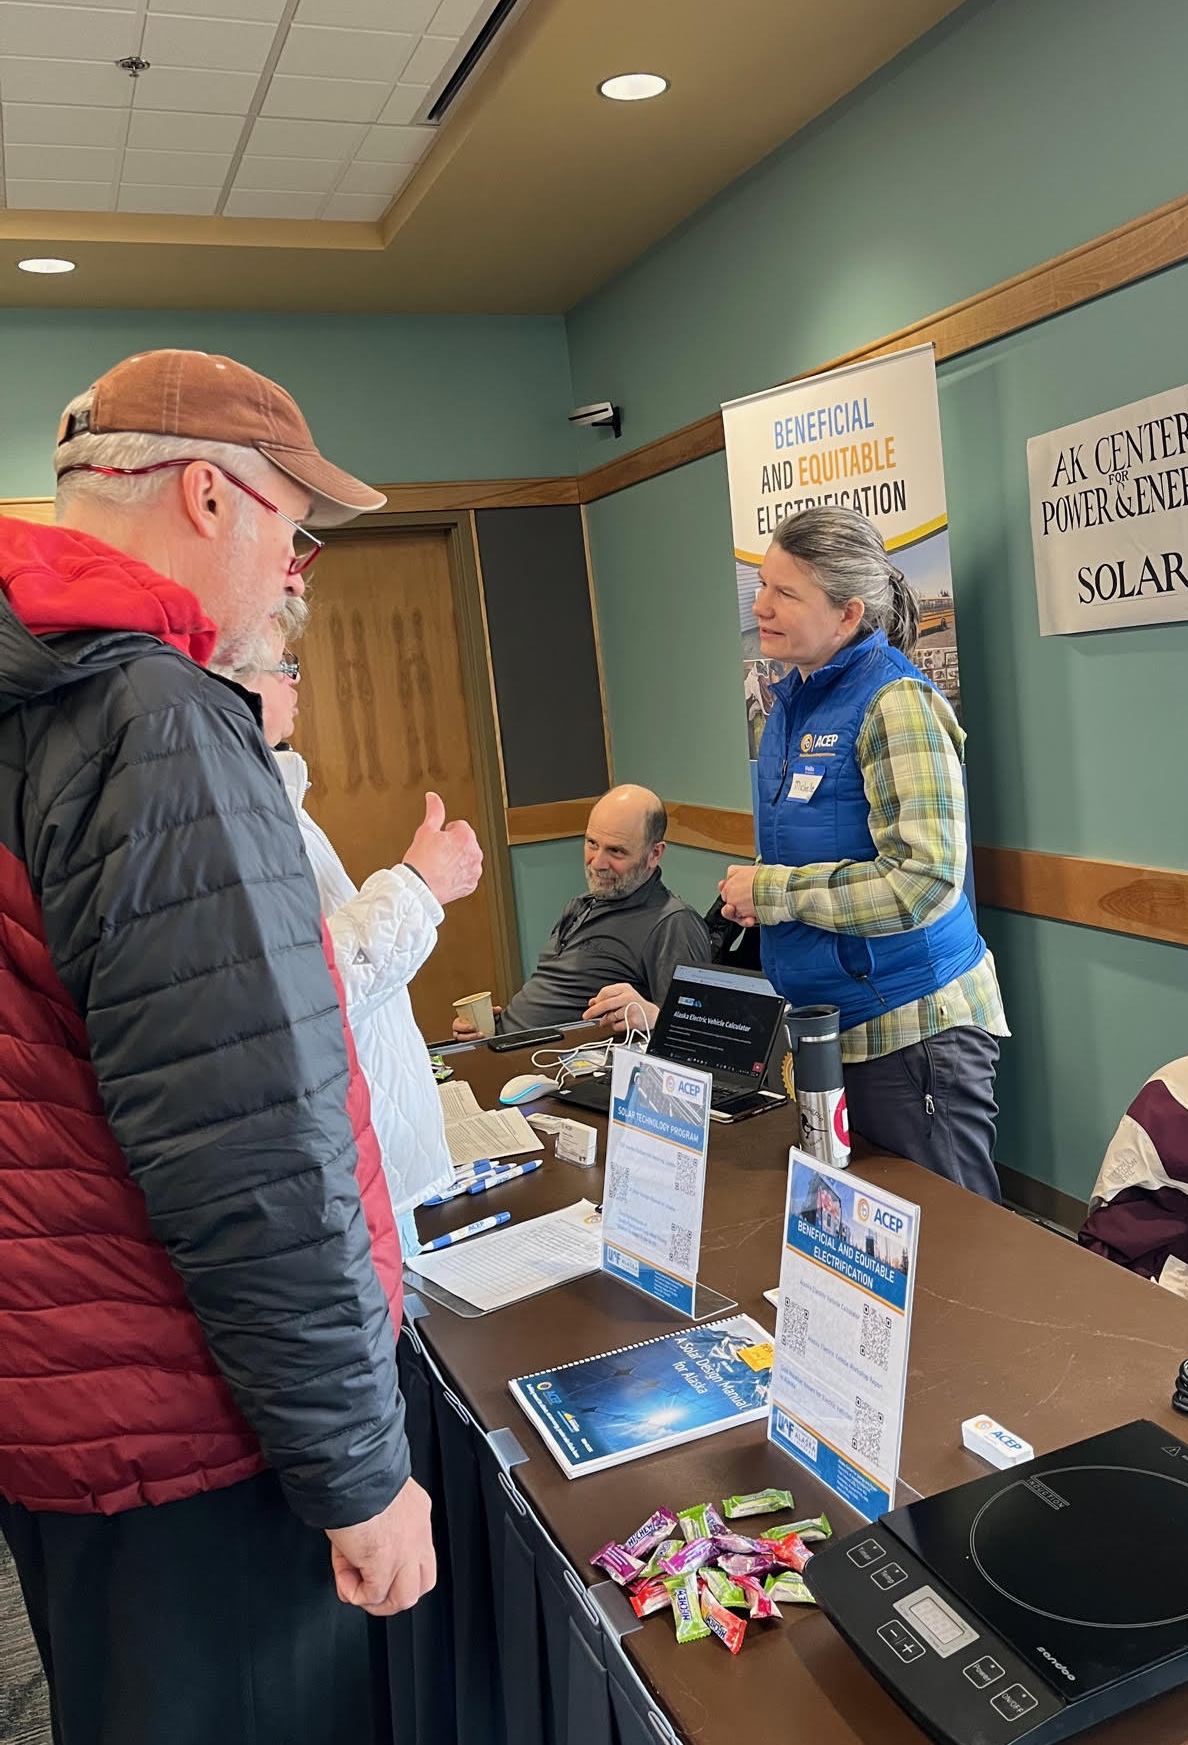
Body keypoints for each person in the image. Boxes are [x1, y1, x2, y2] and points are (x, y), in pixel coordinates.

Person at [0, 350, 434, 1745]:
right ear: (207, 492)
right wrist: (362, 1472)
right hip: (197, 1428)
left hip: (65, 1413)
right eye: (290, 525)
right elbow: (252, 1143)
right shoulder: (155, 718)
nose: (296, 566)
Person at [719, 506, 1008, 1200]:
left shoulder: (896, 702)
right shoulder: (790, 701)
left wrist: (773, 892)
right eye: (761, 584)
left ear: (847, 616)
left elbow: (924, 881)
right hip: (829, 1031)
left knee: (955, 1258)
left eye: (785, 593)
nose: (760, 605)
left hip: (913, 1035)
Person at [232, 626, 483, 1252]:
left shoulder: (274, 791)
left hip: (365, 1161)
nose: (296, 678)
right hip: (331, 1184)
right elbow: (296, 992)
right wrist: (419, 886)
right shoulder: (232, 806)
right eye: (283, 662)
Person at [453, 784, 710, 1039]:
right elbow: (552, 997)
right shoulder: (582, 905)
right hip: (498, 1047)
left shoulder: (673, 924)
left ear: (654, 854)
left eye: (616, 851)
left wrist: (652, 1016)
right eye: (592, 843)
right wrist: (491, 1030)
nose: (597, 863)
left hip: (550, 1069)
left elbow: (695, 1033)